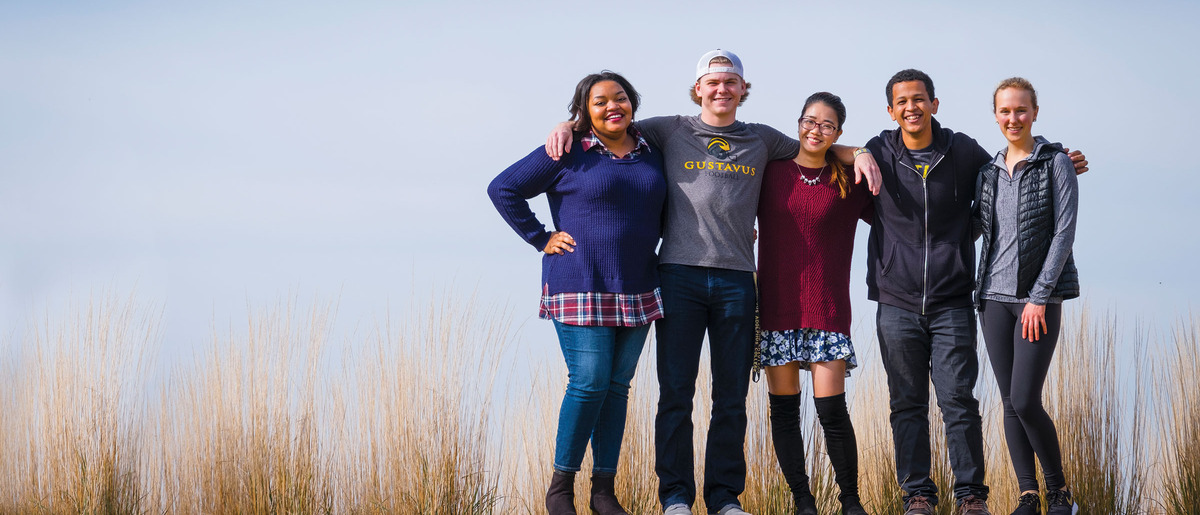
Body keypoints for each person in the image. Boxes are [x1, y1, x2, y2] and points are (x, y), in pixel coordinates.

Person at [547, 49, 880, 515]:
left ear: (744, 89)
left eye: (731, 82)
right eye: (713, 82)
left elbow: (817, 147)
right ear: (698, 89)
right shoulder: (666, 130)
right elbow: (610, 121)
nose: (722, 89)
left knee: (731, 396)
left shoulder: (763, 139)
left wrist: (860, 150)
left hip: (737, 282)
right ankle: (677, 498)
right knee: (676, 394)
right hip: (678, 276)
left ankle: (724, 498)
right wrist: (569, 126)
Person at [863, 69, 1088, 515]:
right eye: (902, 101)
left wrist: (1059, 154)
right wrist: (854, 154)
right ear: (891, 111)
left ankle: (971, 497)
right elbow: (820, 152)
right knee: (906, 403)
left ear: (934, 103)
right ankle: (919, 496)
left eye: (920, 98)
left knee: (960, 402)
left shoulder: (963, 151)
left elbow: (1018, 166)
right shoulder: (877, 152)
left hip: (953, 299)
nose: (912, 107)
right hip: (897, 299)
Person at [488, 70, 666, 515]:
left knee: (618, 387)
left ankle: (603, 492)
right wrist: (539, 236)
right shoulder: (568, 150)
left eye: (620, 98)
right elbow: (503, 188)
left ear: (633, 103)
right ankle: (560, 489)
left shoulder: (653, 150)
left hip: (639, 284)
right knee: (588, 383)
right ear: (584, 110)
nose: (613, 107)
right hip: (579, 282)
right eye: (600, 101)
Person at [756, 92, 872, 515]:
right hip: (777, 309)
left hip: (827, 310)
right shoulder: (770, 173)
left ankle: (851, 502)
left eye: (826, 124)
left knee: (832, 412)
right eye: (809, 120)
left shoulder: (851, 178)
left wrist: (860, 153)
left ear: (838, 132)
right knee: (785, 413)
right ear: (798, 122)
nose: (815, 129)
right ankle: (803, 501)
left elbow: (900, 214)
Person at [975, 77, 1080, 515]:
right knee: (1007, 401)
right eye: (1004, 111)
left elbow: (1064, 232)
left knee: (1024, 399)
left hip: (1038, 301)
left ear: (1034, 112)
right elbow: (975, 229)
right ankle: (1027, 495)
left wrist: (1039, 296)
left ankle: (1059, 492)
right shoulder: (988, 171)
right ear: (995, 115)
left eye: (1020, 110)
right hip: (992, 300)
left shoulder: (1056, 163)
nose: (1012, 118)